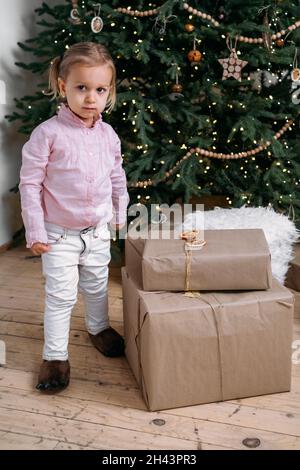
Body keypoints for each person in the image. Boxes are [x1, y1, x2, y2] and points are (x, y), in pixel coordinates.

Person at [19, 42, 129, 392]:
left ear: (108, 91)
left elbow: (117, 176)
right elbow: (30, 185)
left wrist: (117, 213)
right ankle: (55, 356)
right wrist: (36, 231)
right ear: (64, 87)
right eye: (82, 88)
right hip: (57, 235)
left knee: (97, 285)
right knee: (61, 295)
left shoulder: (109, 135)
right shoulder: (48, 134)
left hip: (96, 231)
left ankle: (98, 328)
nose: (91, 98)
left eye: (100, 89)